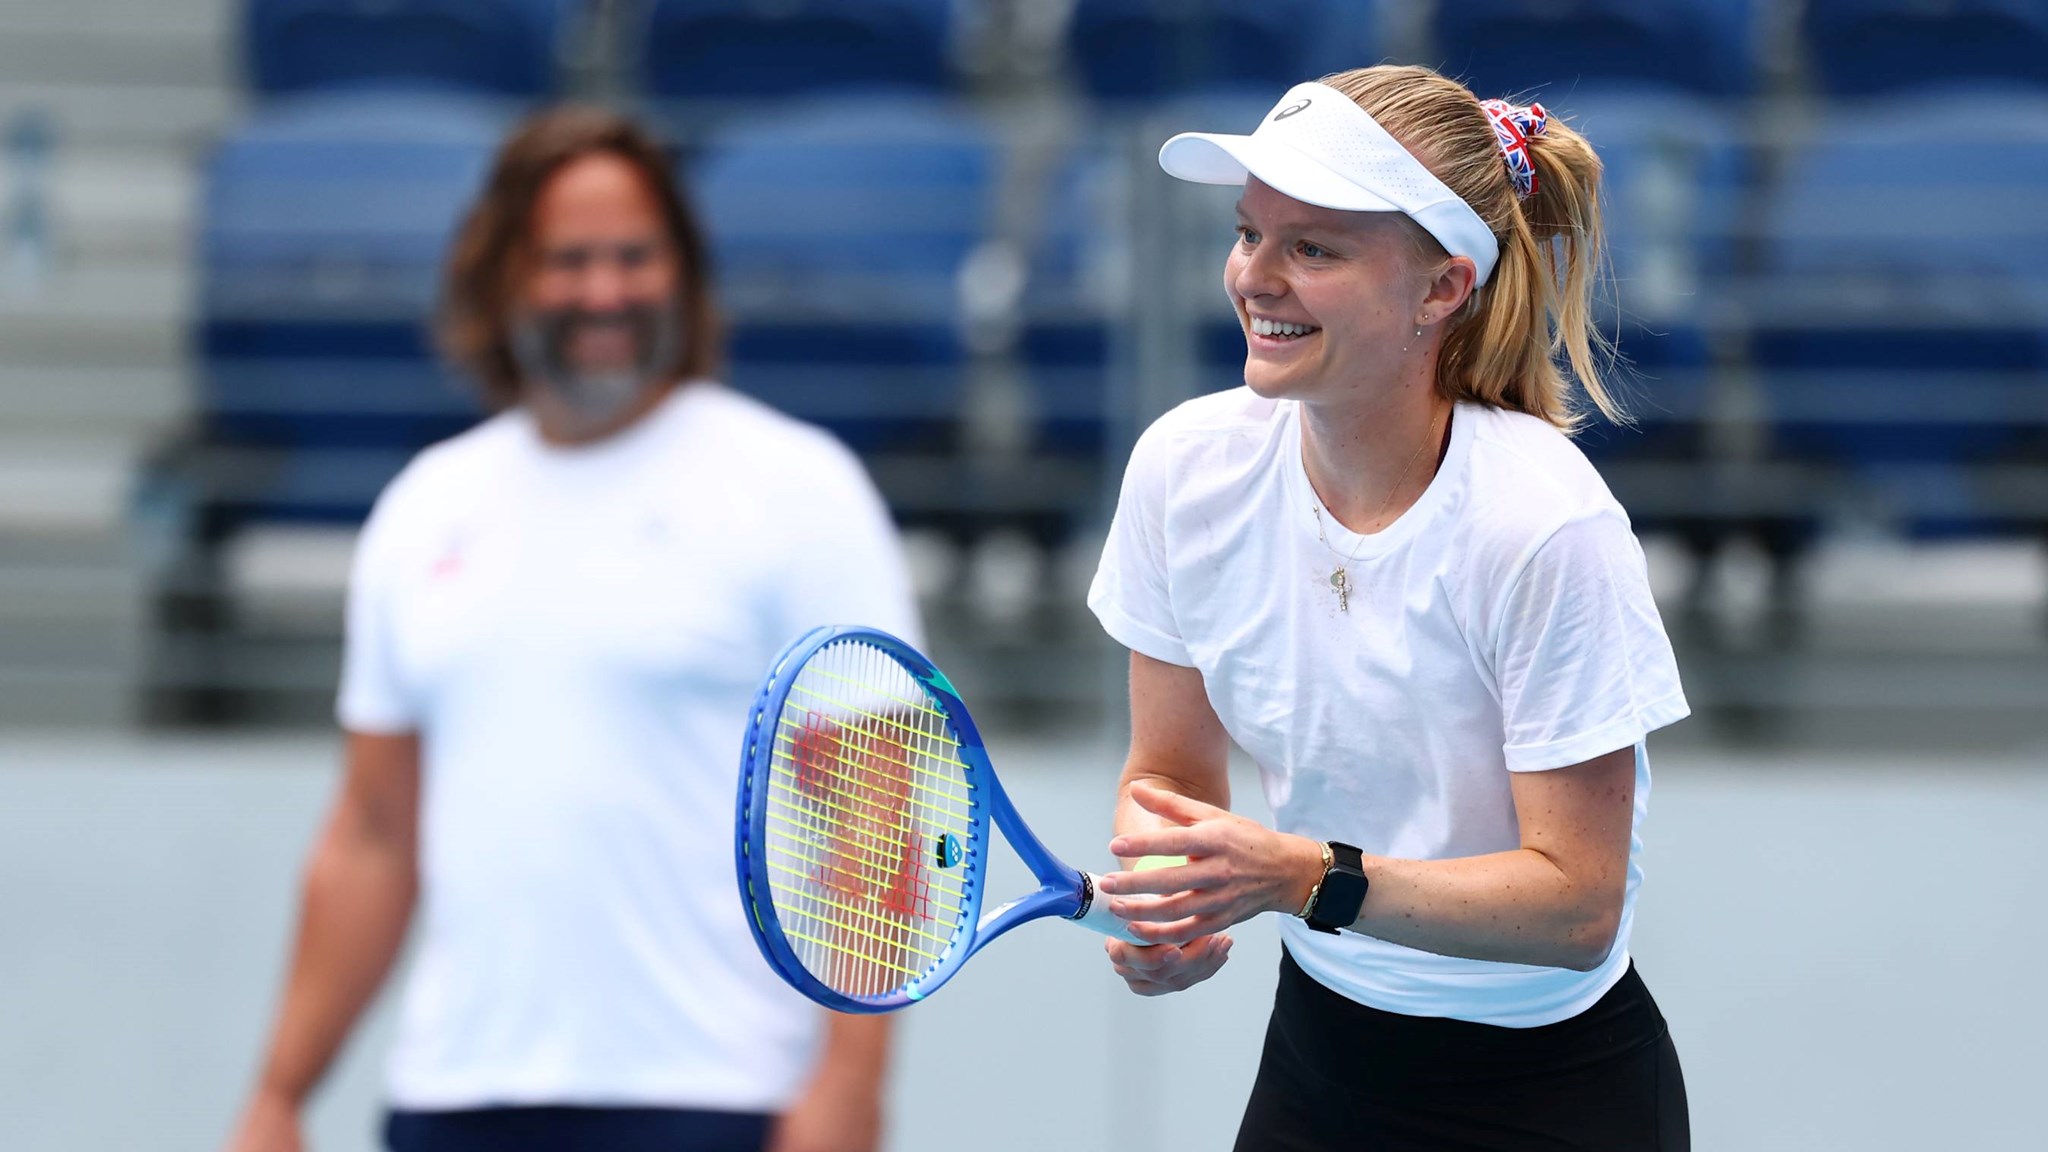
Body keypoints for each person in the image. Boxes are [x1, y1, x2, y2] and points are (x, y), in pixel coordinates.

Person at [223, 107, 919, 1152]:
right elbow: (372, 833)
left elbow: (874, 819)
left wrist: (847, 1091)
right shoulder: (424, 508)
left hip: (720, 1098)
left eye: (635, 257)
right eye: (569, 260)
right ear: (503, 277)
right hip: (454, 1100)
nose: (605, 291)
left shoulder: (797, 489)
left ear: (680, 273)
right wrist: (279, 1093)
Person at [1085, 65, 1693, 1150]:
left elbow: (1574, 905)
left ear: (1440, 288)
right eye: (1246, 234)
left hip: (1555, 1098)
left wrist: (1306, 876)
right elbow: (1168, 778)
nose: (1254, 278)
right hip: (1317, 1066)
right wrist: (1169, 903)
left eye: (1312, 248)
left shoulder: (1544, 527)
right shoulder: (1181, 469)